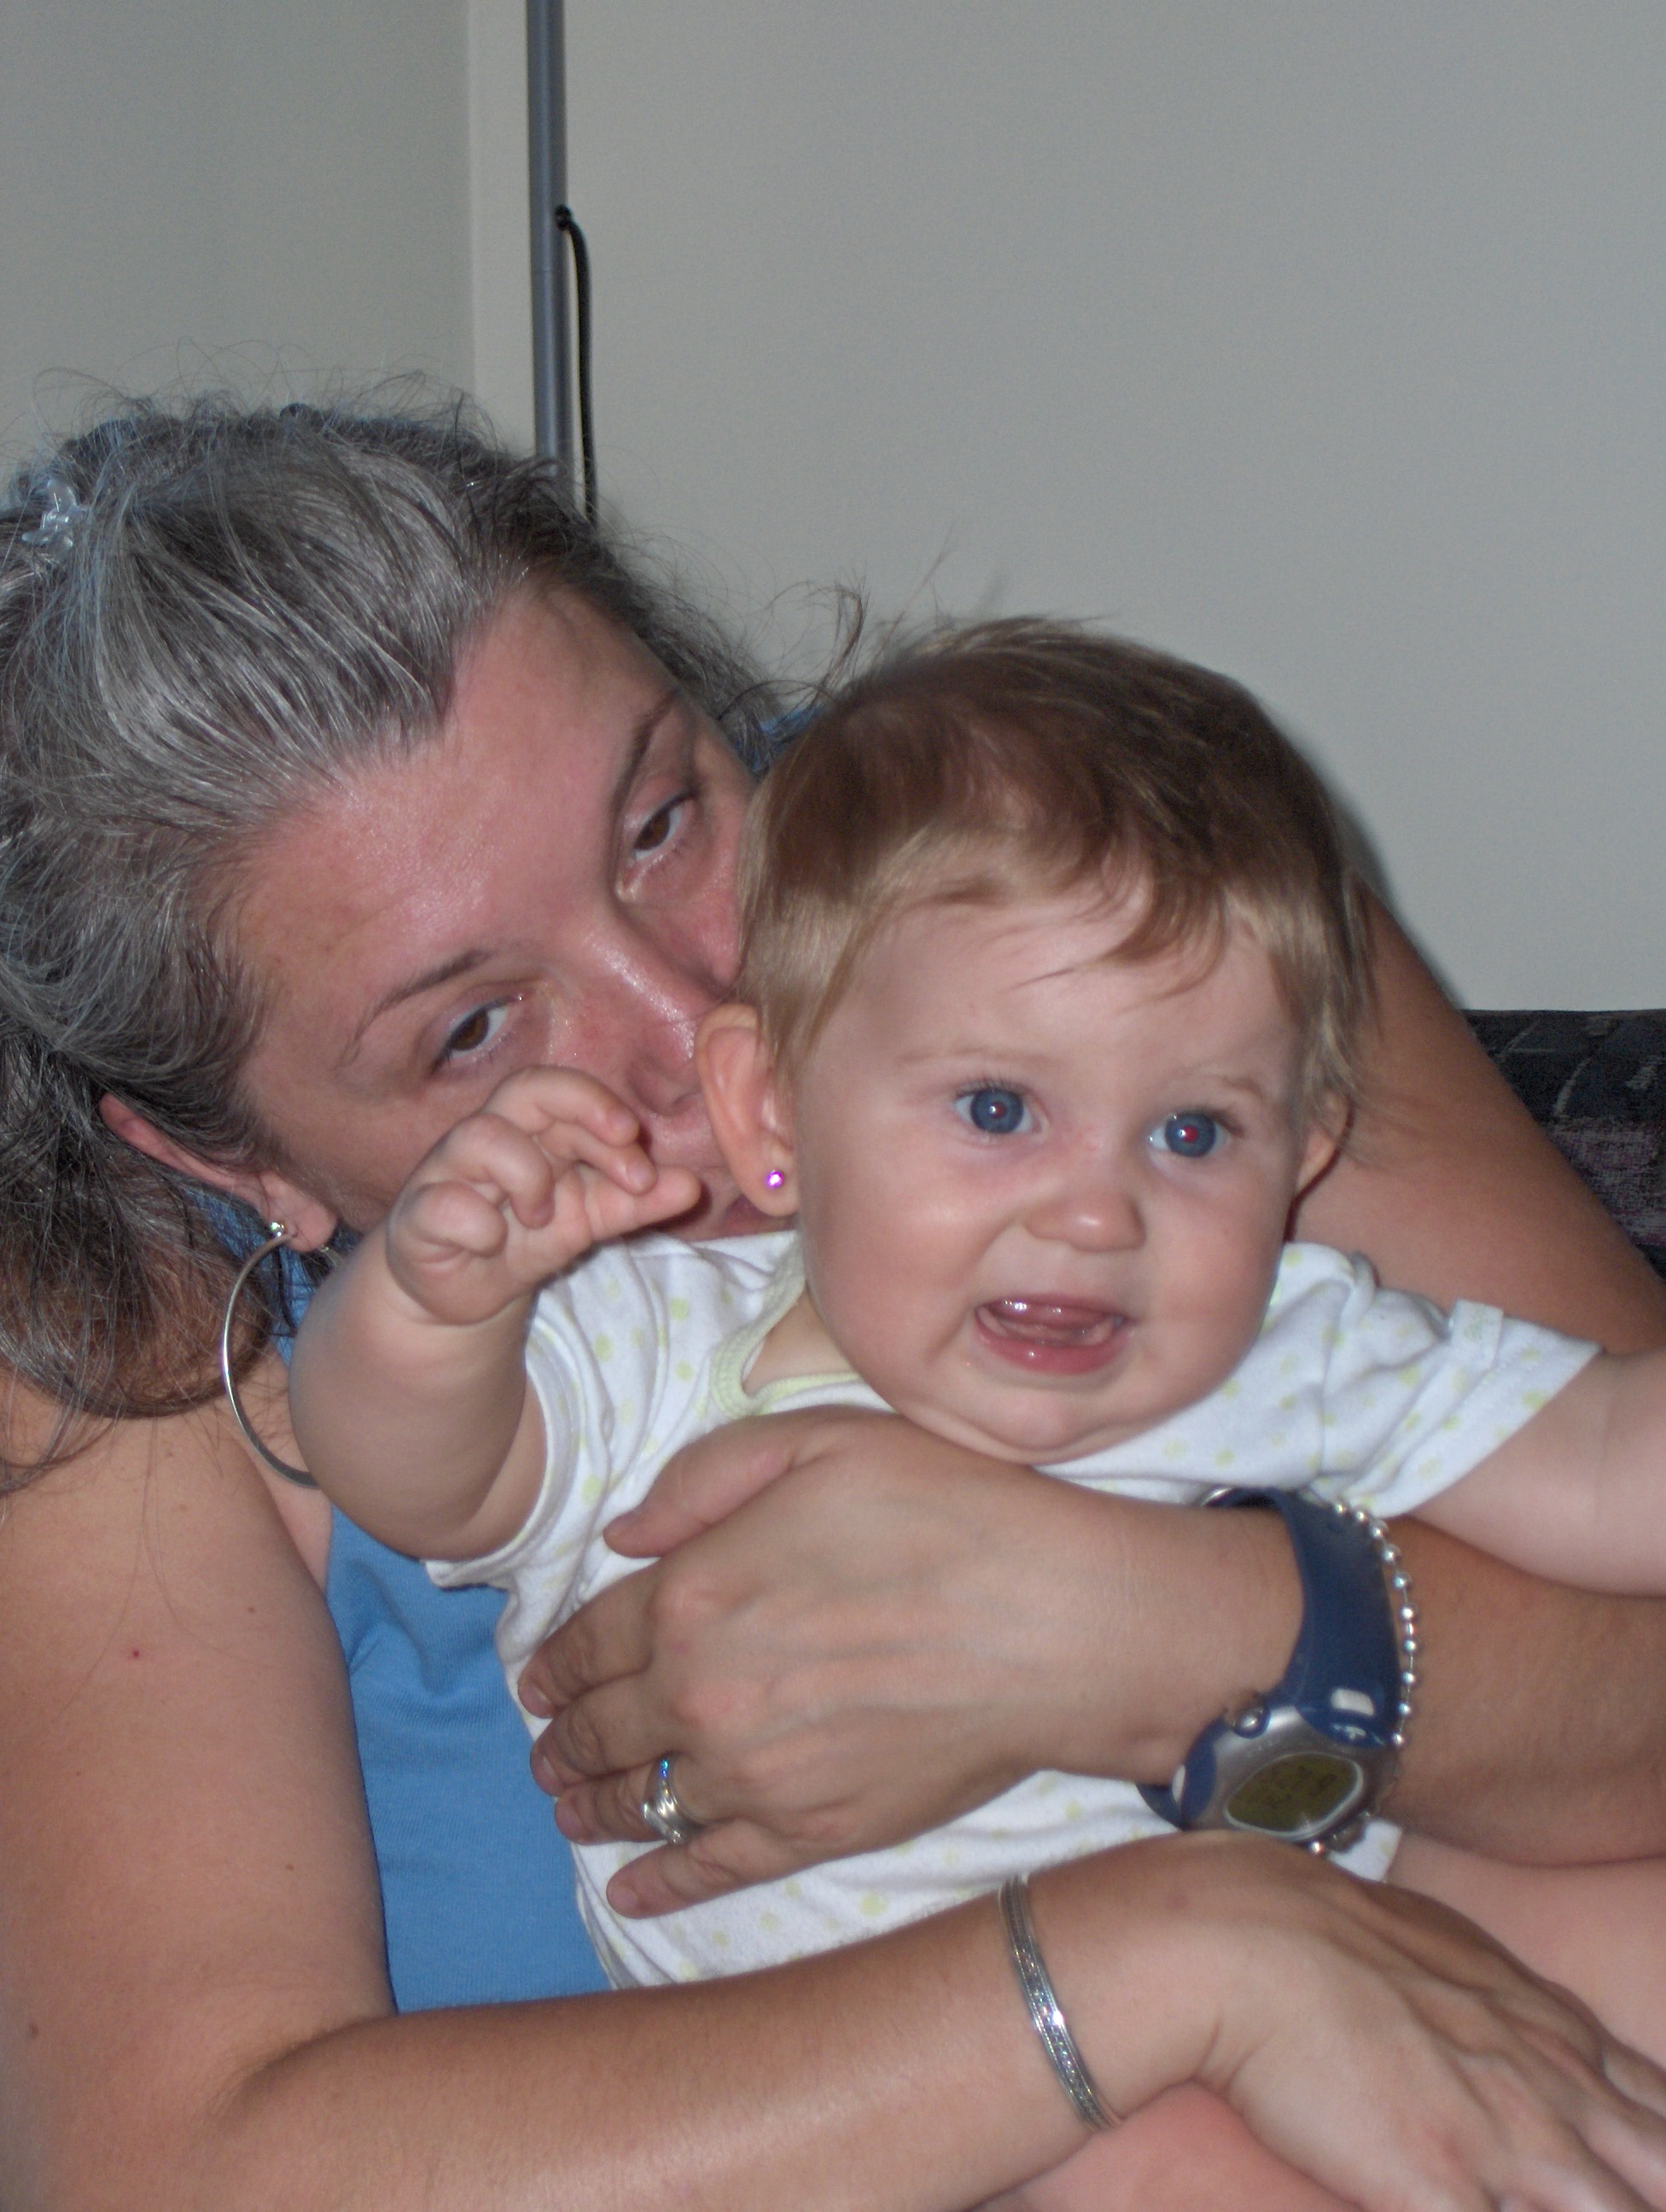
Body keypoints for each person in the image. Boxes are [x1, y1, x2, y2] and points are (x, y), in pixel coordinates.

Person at [3, 396, 1666, 2212]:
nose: (697, 1022)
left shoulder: (1094, 927)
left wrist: (1142, 1629)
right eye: (472, 1029)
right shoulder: (122, 1327)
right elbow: (172, 2173)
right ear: (229, 1153)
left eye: (663, 821)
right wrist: (1167, 1961)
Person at [288, 614, 1663, 2014]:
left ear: (1300, 1156)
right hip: (893, 2046)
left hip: (1312, 1927)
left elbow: (1609, 1458)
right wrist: (425, 1305)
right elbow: (416, 1478)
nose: (1097, 1215)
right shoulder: (659, 1344)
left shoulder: (1296, 1343)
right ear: (772, 1105)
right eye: (998, 1110)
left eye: (1192, 1133)